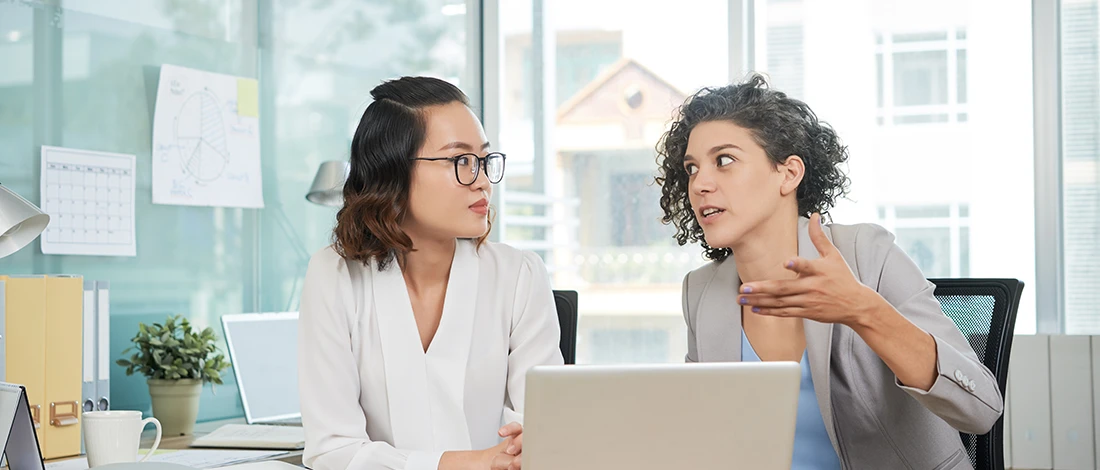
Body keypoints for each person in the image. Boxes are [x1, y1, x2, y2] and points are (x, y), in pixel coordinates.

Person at [655, 73, 1002, 469]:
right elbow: (707, 434)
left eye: (724, 160)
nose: (700, 184)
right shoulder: (701, 291)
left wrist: (863, 310)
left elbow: (981, 409)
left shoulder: (867, 255)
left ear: (788, 174)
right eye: (691, 168)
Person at [298, 76, 562, 470]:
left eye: (484, 160)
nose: (484, 182)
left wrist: (527, 445)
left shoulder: (520, 276)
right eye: (461, 161)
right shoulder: (334, 275)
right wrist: (465, 463)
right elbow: (332, 450)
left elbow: (543, 431)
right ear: (394, 173)